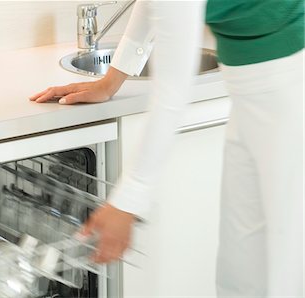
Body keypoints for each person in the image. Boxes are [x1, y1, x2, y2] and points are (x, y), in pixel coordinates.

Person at [30, 0, 304, 296]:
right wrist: (111, 80)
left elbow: (173, 93)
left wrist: (128, 202)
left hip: (290, 85)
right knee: (240, 267)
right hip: (254, 90)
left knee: (284, 266)